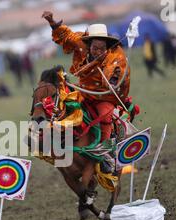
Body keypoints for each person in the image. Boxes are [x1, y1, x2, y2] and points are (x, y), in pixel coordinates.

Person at [42, 11, 130, 173]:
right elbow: (66, 36)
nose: (98, 52)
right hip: (82, 90)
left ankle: (105, 153)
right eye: (95, 48)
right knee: (61, 103)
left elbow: (116, 68)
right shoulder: (80, 43)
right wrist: (53, 22)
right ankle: (50, 139)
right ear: (89, 45)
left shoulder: (115, 54)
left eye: (102, 48)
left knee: (105, 115)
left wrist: (111, 80)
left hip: (104, 94)